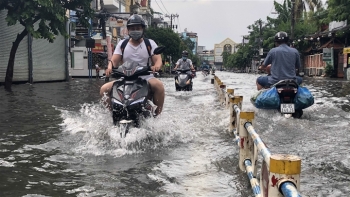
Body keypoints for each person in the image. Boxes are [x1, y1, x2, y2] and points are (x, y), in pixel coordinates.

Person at [99, 14, 165, 115]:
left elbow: (158, 60)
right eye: (132, 28)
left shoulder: (149, 43)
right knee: (103, 89)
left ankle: (157, 115)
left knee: (159, 86)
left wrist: (156, 66)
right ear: (128, 30)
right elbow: (114, 60)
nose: (135, 30)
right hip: (126, 77)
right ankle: (112, 114)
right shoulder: (122, 44)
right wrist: (109, 68)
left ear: (142, 29)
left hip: (146, 76)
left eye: (138, 28)